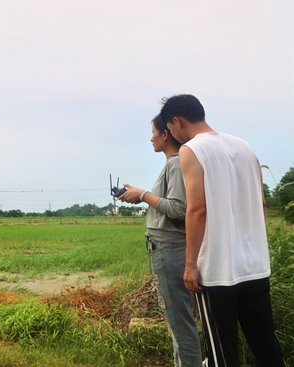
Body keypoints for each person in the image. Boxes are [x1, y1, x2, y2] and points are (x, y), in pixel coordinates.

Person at [160, 94, 286, 367]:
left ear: (176, 122)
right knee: (267, 347)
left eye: (169, 129)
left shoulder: (191, 150)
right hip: (255, 267)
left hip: (218, 273)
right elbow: (261, 204)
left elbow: (197, 210)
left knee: (222, 355)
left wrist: (191, 264)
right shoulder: (245, 147)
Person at [119, 114, 202, 367]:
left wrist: (143, 195)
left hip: (170, 249)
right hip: (169, 248)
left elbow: (178, 208)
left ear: (165, 135)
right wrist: (140, 194)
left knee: (180, 324)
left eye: (154, 132)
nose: (151, 138)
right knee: (178, 322)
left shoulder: (176, 164)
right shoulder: (174, 164)